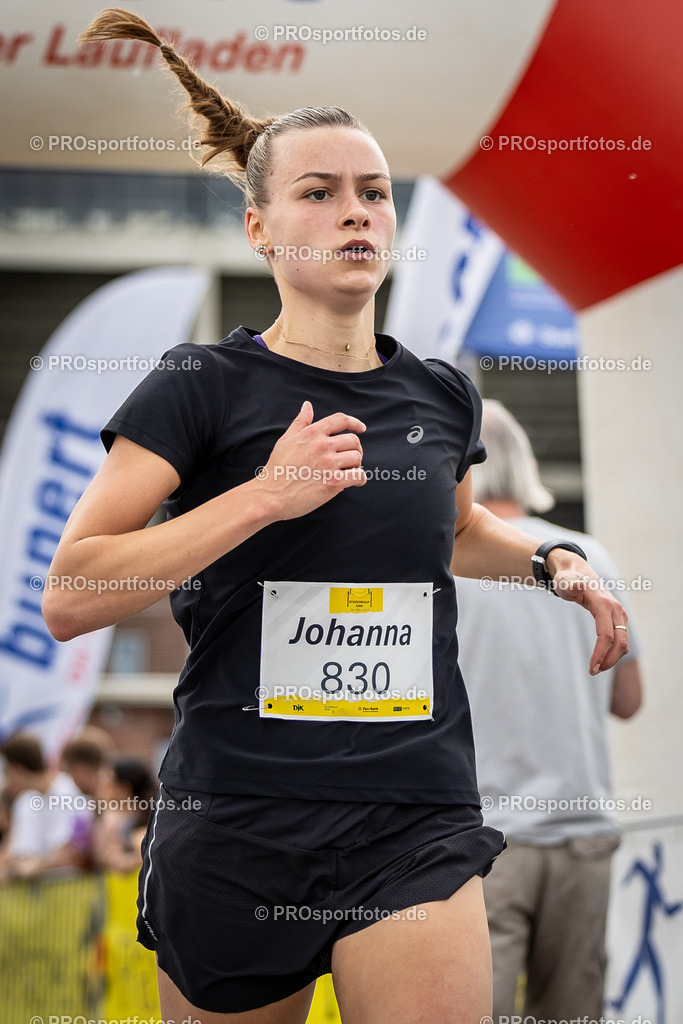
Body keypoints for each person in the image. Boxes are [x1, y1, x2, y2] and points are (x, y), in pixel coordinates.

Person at [42, 9, 630, 1022]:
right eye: (317, 194)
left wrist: (550, 560)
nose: (354, 211)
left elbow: (455, 535)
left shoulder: (441, 394)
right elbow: (71, 592)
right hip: (239, 821)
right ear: (259, 228)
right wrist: (264, 495)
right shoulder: (200, 383)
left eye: (371, 193)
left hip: (414, 816)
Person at [454, 399, 643, 1021]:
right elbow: (628, 700)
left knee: (476, 1010)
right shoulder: (589, 558)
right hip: (582, 832)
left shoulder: (446, 567)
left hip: (480, 841)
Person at [0, 732, 84, 881]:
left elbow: (72, 852)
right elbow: (17, 854)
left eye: (7, 772)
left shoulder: (66, 791)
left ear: (19, 770)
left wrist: (33, 867)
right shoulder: (25, 800)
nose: (6, 780)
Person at [93, 756, 157, 874]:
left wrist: (122, 860)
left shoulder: (144, 827)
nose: (100, 787)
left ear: (124, 789)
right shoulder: (116, 819)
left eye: (107, 781)